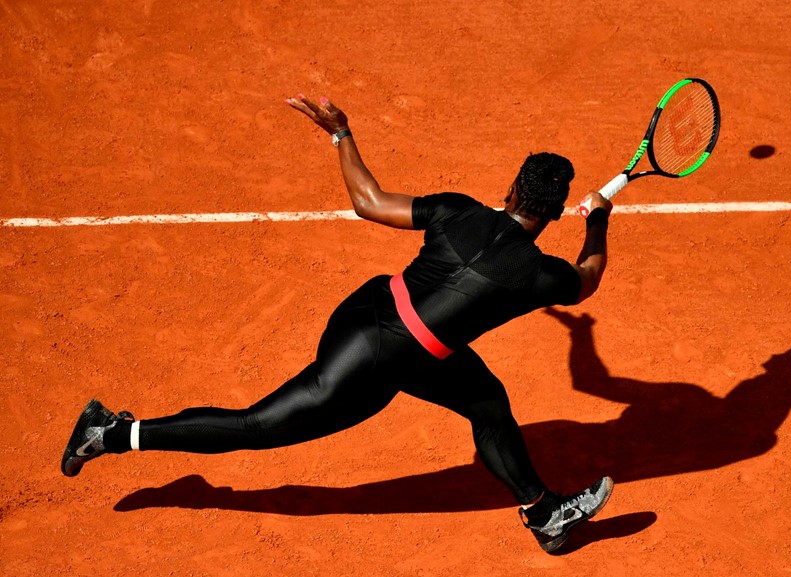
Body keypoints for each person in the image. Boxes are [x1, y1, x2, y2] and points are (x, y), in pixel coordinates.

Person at [61, 94, 615, 553]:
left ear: (513, 188)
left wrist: (341, 134)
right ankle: (108, 434)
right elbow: (587, 278)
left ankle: (544, 514)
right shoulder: (541, 276)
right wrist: (598, 222)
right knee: (257, 426)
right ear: (557, 211)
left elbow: (368, 201)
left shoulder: (458, 210)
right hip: (369, 357)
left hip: (371, 313)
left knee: (487, 400)